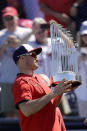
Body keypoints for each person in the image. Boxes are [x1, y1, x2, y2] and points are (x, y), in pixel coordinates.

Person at [12, 43, 73, 131]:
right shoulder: (21, 82)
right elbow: (26, 110)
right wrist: (53, 93)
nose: (36, 57)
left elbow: (52, 105)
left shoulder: (40, 78)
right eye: (33, 54)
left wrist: (61, 91)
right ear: (22, 58)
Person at [0, 6, 32, 116]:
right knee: (9, 113)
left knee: (27, 111)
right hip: (7, 80)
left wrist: (18, 44)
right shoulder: (0, 35)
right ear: (3, 20)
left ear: (17, 17)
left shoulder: (27, 32)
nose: (9, 21)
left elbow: (34, 54)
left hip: (26, 80)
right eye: (6, 19)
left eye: (11, 18)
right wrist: (4, 46)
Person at [75, 21, 87, 117]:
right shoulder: (75, 52)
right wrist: (79, 60)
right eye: (84, 35)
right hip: (83, 94)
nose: (86, 37)